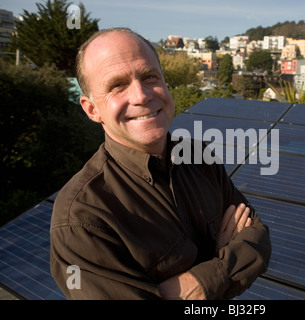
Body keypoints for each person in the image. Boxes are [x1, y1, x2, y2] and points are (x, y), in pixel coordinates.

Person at [49, 27, 271, 300]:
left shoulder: (200, 157)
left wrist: (201, 282)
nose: (141, 95)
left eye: (149, 76)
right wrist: (225, 262)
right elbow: (247, 253)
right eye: (117, 85)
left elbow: (259, 240)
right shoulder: (82, 219)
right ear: (92, 109)